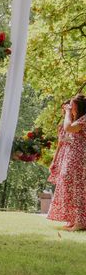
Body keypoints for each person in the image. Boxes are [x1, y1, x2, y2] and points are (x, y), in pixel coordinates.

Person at [47, 94, 86, 230]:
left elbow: (68, 128)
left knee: (78, 188)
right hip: (69, 157)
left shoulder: (83, 120)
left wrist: (68, 112)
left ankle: (81, 221)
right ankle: (74, 219)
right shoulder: (71, 121)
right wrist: (54, 160)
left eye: (72, 106)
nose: (70, 108)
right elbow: (61, 142)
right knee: (68, 186)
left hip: (79, 158)